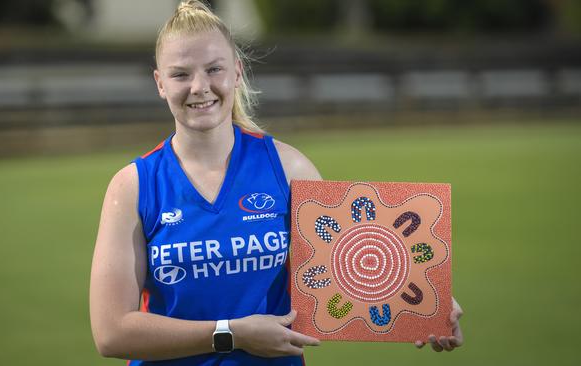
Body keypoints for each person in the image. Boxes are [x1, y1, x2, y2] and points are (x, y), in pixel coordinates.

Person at [89, 1, 463, 365]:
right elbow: (111, 332)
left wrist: (429, 303)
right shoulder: (133, 186)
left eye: (214, 69)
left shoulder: (287, 167)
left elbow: (351, 260)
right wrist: (230, 333)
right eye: (181, 74)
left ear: (236, 72)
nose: (200, 87)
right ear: (160, 83)